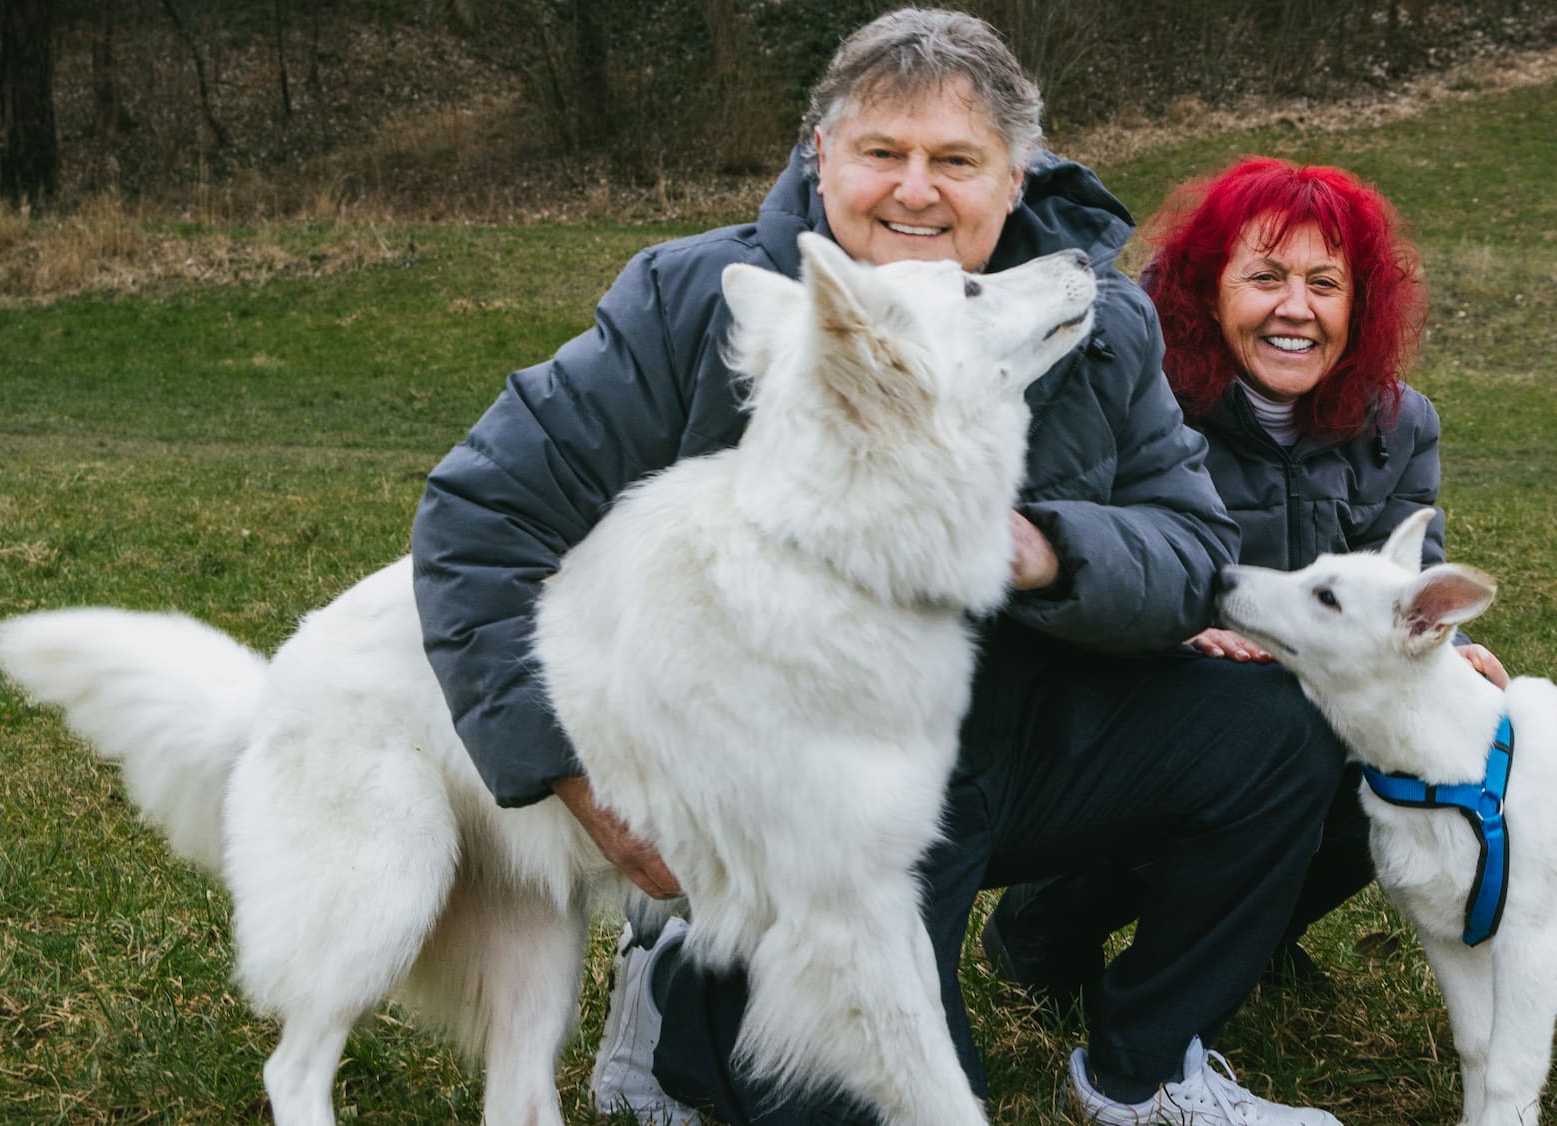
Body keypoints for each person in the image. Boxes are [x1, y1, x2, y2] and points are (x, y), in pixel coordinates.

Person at [412, 12, 1349, 1126]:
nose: (915, 192)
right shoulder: (691, 298)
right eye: (881, 154)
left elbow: (1192, 550)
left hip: (1018, 732)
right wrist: (569, 776)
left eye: (955, 161)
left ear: (1015, 178)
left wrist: (1037, 550)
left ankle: (1143, 1069)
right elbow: (477, 516)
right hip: (801, 788)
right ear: (821, 157)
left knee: (1281, 725)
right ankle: (675, 988)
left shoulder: (1092, 323)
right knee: (847, 1104)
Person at [983, 157, 1509, 1006]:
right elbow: (1080, 559)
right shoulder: (1143, 396)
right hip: (1140, 686)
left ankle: (1251, 935)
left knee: (1393, 750)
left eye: (1324, 283)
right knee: (1254, 737)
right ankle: (1046, 930)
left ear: (1359, 303)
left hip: (1314, 688)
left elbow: (1399, 568)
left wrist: (1460, 650)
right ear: (1207, 289)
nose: (1294, 307)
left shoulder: (1399, 422)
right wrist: (1173, 623)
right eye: (1264, 276)